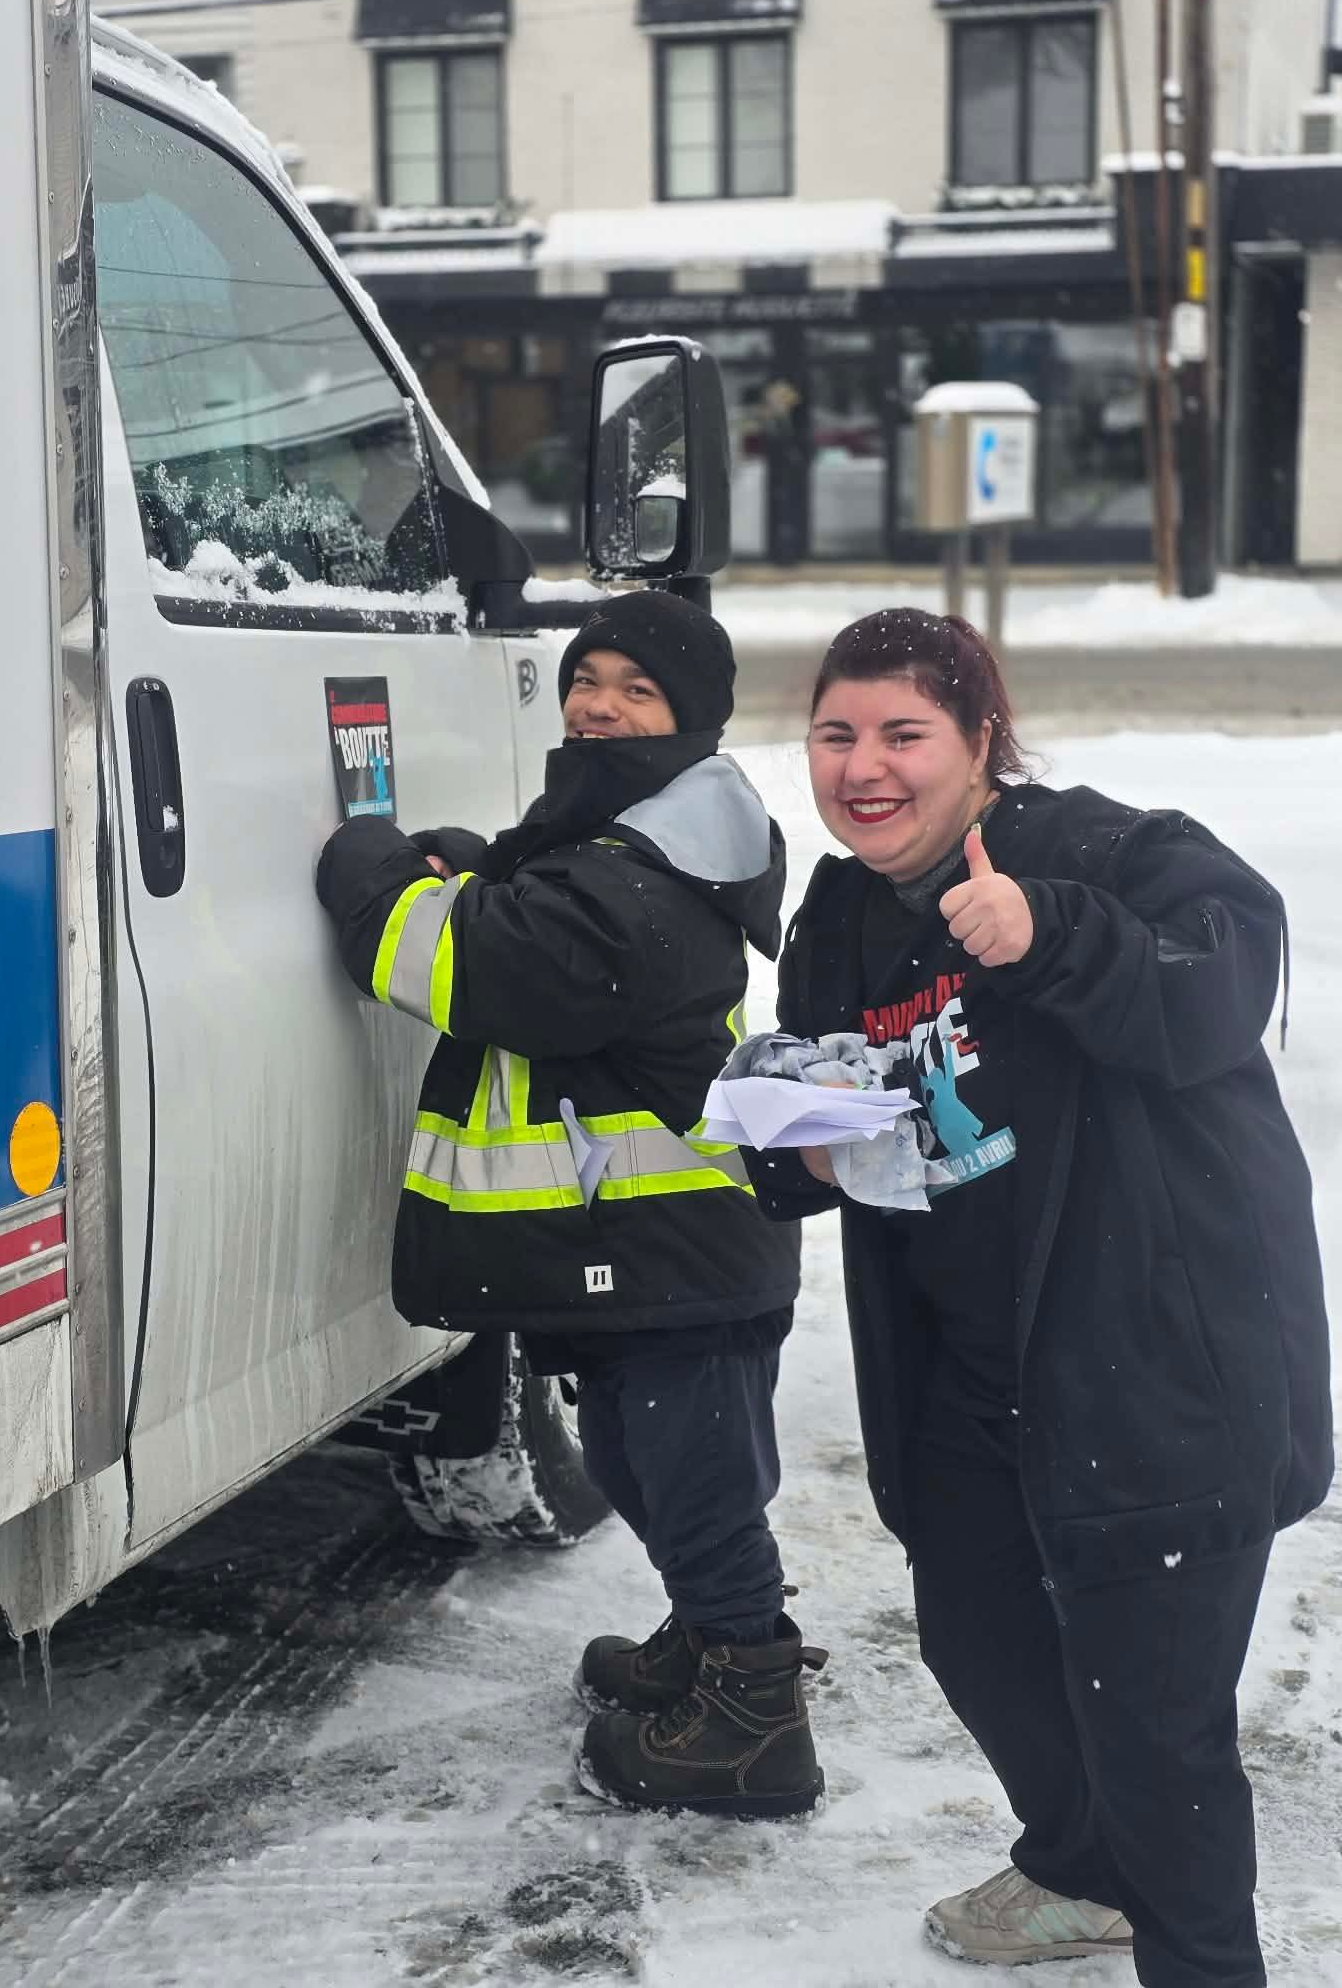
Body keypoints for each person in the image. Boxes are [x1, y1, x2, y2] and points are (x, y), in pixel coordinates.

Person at [747, 607, 1330, 1982]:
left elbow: (1225, 978)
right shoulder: (843, 915)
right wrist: (792, 1142)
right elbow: (833, 1102)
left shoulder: (1102, 851)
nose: (863, 767)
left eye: (904, 733)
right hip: (969, 1365)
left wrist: (1051, 933)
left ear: (981, 740)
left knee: (1155, 1732)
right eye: (836, 733)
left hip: (1156, 1364)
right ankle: (1081, 1872)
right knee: (979, 1644)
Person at [316, 589, 824, 1820]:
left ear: (689, 723)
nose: (599, 704)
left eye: (637, 690)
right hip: (651, 1251)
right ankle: (707, 1633)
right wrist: (483, 862)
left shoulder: (638, 887)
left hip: (688, 1257)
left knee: (695, 1485)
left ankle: (756, 1715)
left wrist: (372, 870)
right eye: (586, 678)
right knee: (640, 1466)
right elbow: (542, 895)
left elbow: (481, 963)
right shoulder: (632, 847)